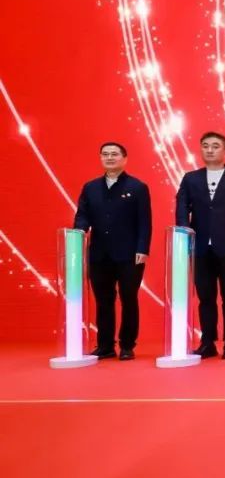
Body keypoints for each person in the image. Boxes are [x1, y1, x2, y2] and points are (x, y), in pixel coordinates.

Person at [175, 131, 225, 359]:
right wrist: (184, 232)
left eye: (215, 146)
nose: (210, 150)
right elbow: (182, 207)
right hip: (199, 247)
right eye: (205, 146)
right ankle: (207, 342)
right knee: (205, 296)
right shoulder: (191, 178)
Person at [73, 142, 151, 360]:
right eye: (105, 154)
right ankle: (105, 345)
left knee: (128, 298)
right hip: (99, 254)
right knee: (103, 300)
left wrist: (142, 248)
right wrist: (79, 231)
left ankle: (127, 345)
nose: (109, 157)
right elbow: (82, 215)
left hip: (130, 254)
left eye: (114, 154)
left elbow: (145, 222)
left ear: (124, 159)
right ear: (100, 158)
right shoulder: (90, 187)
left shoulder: (137, 187)